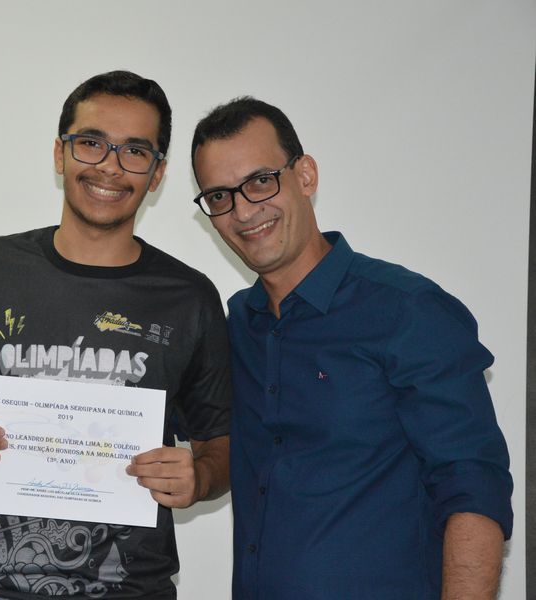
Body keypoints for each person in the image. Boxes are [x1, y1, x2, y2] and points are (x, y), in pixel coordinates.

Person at [0, 70, 231, 600]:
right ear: (60, 153)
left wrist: (200, 476)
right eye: (91, 143)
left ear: (157, 173)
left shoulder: (189, 297)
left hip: (131, 589)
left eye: (135, 151)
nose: (110, 166)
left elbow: (222, 444)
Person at [190, 97, 513, 599]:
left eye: (260, 181)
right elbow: (202, 437)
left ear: (305, 175)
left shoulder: (407, 310)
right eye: (219, 196)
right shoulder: (237, 325)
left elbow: (473, 487)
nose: (244, 210)